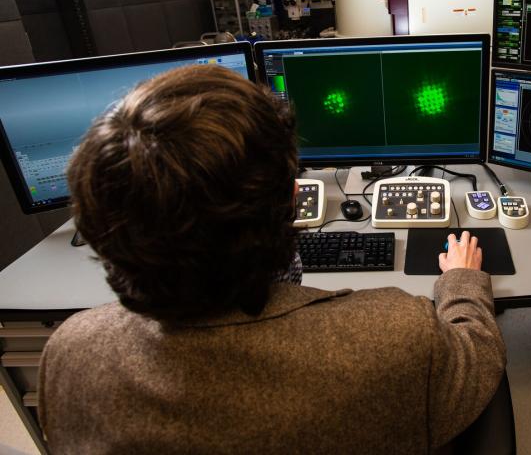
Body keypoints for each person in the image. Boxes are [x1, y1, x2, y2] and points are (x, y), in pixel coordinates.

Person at [38, 65, 506, 453]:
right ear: (287, 206)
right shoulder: (394, 333)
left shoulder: (71, 353)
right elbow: (479, 359)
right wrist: (462, 281)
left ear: (104, 232)